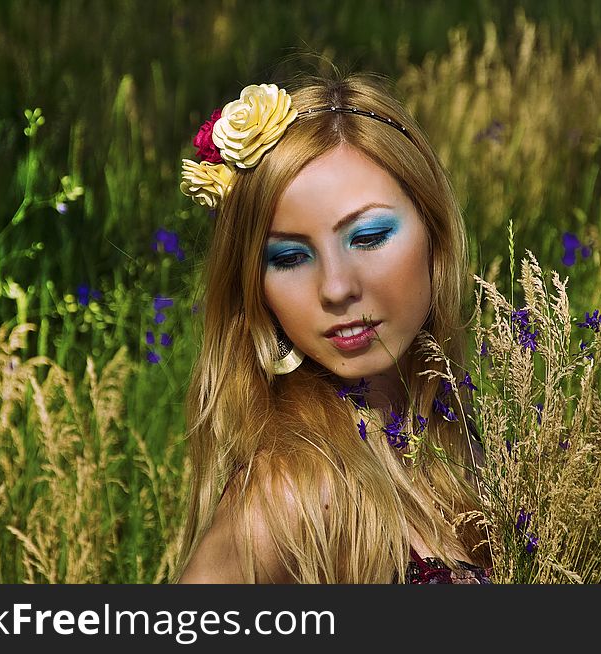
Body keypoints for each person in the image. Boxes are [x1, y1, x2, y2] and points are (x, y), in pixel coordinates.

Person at [174, 71, 491, 584]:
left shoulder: (471, 445)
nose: (336, 288)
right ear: (258, 289)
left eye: (367, 237)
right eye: (291, 256)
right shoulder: (291, 492)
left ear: (434, 233)